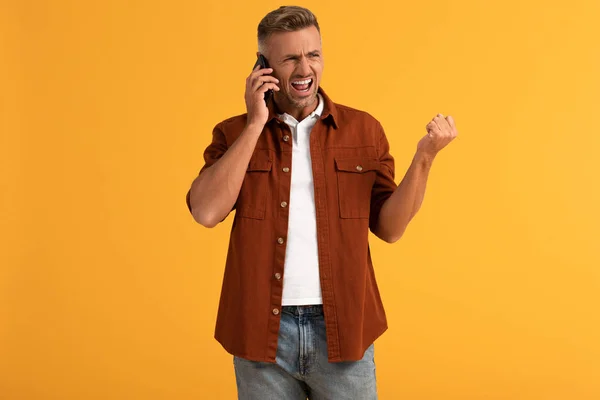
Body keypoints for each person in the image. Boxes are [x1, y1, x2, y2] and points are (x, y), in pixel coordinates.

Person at [186, 5, 458, 399]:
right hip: (260, 331)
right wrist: (255, 123)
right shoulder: (234, 132)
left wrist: (426, 156)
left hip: (344, 329)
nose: (304, 69)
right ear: (263, 65)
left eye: (312, 54)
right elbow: (206, 212)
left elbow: (391, 229)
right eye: (290, 58)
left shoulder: (363, 130)